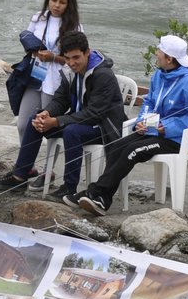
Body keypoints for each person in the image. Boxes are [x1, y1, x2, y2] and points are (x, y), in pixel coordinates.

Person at [65, 33, 188, 217]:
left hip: (177, 140)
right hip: (154, 132)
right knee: (116, 145)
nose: (156, 54)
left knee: (132, 150)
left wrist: (166, 126)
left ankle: (95, 193)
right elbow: (149, 102)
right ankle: (102, 199)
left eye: (159, 51)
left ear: (169, 58)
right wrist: (142, 121)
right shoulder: (160, 75)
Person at [0, 0, 82, 190]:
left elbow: (75, 60)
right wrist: (33, 50)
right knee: (23, 123)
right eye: (54, 0)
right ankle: (27, 166)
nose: (57, 5)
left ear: (69, 5)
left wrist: (53, 57)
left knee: (48, 126)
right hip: (35, 75)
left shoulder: (73, 26)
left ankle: (49, 172)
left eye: (62, 2)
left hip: (56, 79)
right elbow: (27, 37)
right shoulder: (39, 18)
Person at [30, 30, 126, 201]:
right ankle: (19, 174)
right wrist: (47, 113)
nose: (71, 63)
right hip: (80, 120)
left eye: (76, 58)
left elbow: (94, 113)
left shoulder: (103, 75)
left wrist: (58, 121)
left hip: (104, 127)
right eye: (67, 58)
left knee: (71, 131)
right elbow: (60, 100)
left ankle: (68, 188)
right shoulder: (70, 71)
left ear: (87, 52)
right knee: (36, 121)